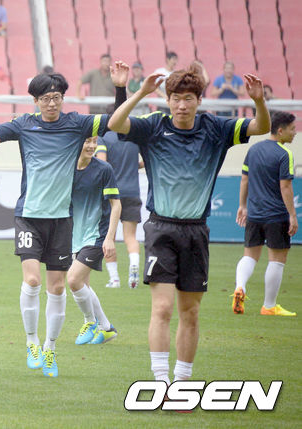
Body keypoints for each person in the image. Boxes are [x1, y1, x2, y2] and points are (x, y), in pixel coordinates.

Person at [0, 62, 129, 377]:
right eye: (45, 99)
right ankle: (31, 342)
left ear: (63, 98)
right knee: (33, 280)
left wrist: (120, 88)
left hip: (61, 220)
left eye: (56, 97)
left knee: (58, 287)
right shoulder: (24, 124)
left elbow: (117, 121)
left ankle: (50, 349)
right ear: (35, 101)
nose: (51, 103)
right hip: (29, 216)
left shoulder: (77, 124)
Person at [108, 65, 270, 390]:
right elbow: (115, 124)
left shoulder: (216, 128)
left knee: (191, 312)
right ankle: (160, 381)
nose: (181, 105)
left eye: (188, 99)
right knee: (163, 308)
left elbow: (261, 126)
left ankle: (182, 383)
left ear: (199, 100)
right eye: (175, 98)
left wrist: (258, 101)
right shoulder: (154, 126)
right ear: (167, 100)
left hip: (196, 231)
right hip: (160, 229)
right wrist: (139, 93)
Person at [232, 111, 298, 317]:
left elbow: (244, 179)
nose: (295, 132)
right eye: (292, 129)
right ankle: (269, 306)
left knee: (250, 256)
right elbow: (285, 187)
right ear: (280, 131)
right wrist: (293, 215)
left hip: (254, 214)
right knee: (277, 260)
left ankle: (240, 286)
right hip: (276, 216)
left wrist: (242, 205)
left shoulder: (253, 150)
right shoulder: (284, 154)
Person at [67, 136, 120, 345]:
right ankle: (106, 328)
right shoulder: (66, 166)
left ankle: (90, 322)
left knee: (73, 280)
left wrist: (110, 238)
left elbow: (116, 205)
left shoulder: (103, 169)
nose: (91, 146)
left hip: (97, 235)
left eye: (94, 141)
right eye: (86, 141)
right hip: (75, 236)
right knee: (83, 286)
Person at [95, 131, 143, 289]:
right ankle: (134, 266)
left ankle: (114, 279)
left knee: (110, 237)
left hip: (112, 194)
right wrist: (134, 166)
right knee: (131, 237)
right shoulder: (135, 136)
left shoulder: (103, 138)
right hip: (132, 192)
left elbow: (101, 162)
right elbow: (147, 160)